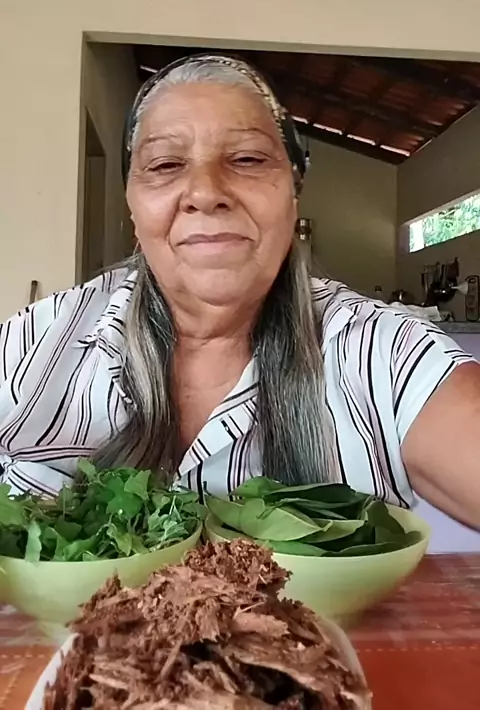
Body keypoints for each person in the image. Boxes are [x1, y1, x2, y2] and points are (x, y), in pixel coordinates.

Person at [1, 54, 480, 528]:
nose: (206, 192)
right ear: (133, 205)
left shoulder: (380, 350)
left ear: (293, 193)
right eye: (165, 164)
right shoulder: (39, 343)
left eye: (247, 158)